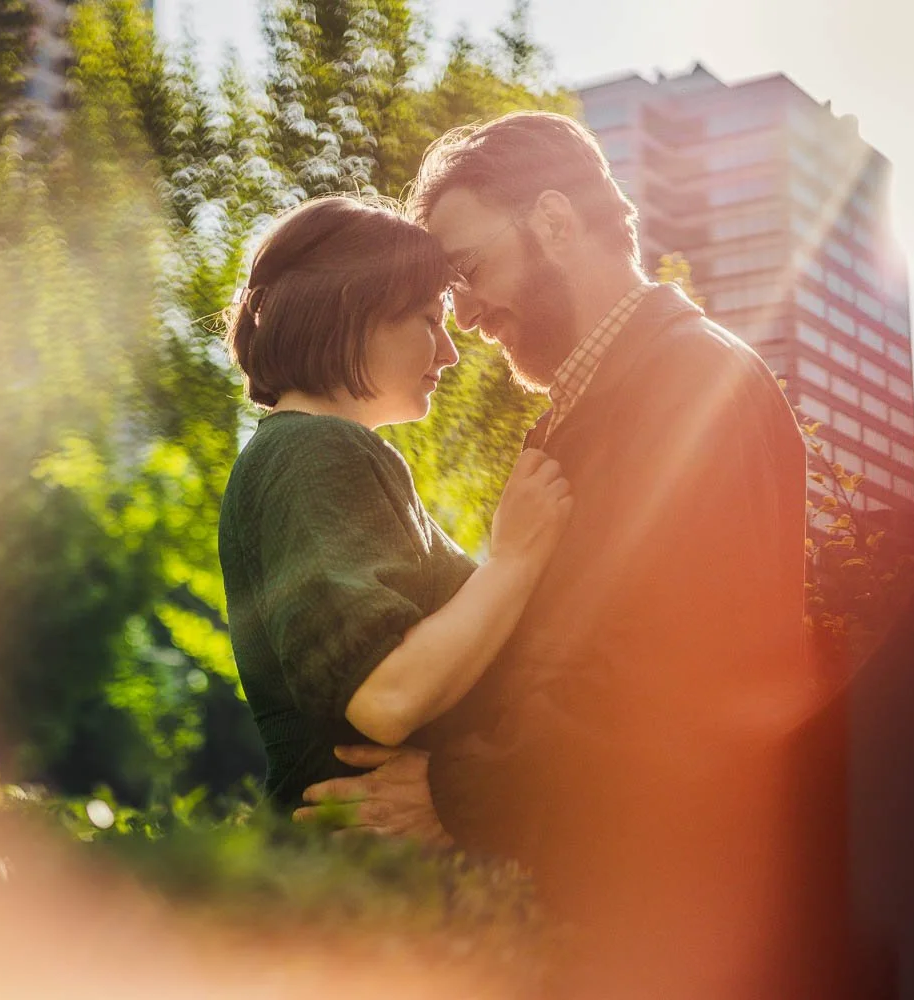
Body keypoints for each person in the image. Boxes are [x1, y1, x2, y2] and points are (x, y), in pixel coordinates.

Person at [307, 112, 821, 997]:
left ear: (554, 221)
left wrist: (456, 794)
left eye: (466, 271)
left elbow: (682, 670)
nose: (461, 315)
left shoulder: (696, 383)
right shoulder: (591, 406)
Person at [216, 195, 572, 824]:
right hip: (352, 893)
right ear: (353, 313)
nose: (449, 352)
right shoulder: (313, 450)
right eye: (427, 319)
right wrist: (514, 560)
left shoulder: (316, 452)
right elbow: (386, 695)